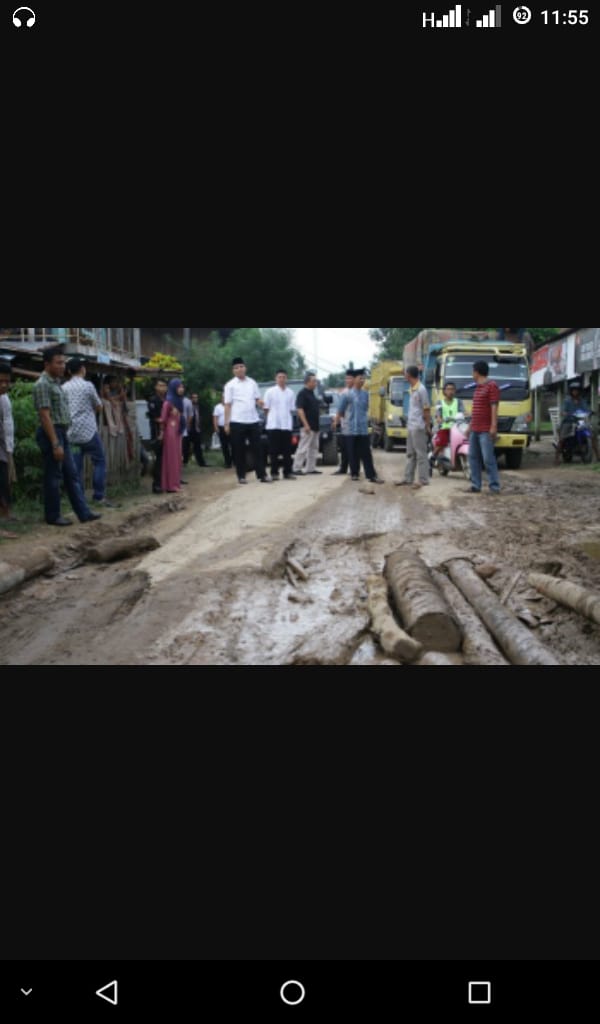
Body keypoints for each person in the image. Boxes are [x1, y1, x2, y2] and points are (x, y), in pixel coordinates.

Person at [33, 346, 102, 526]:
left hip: (63, 433)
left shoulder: (56, 383)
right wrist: (55, 443)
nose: (63, 366)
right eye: (58, 363)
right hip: (52, 433)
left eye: (63, 362)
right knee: (54, 476)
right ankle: (53, 516)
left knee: (71, 475)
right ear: (47, 364)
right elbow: (45, 415)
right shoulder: (42, 384)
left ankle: (83, 513)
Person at [63, 357, 119, 509]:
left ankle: (79, 499)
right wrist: (90, 412)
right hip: (88, 433)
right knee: (99, 461)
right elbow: (99, 406)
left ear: (68, 371)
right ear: (83, 369)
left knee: (77, 468)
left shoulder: (64, 387)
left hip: (71, 434)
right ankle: (99, 496)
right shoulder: (88, 386)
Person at [332, 369, 384, 483]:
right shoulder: (346, 395)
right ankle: (354, 473)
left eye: (364, 378)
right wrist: (336, 422)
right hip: (350, 429)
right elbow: (340, 411)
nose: (363, 380)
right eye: (360, 378)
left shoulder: (366, 394)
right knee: (352, 453)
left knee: (366, 453)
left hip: (363, 429)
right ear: (355, 379)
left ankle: (371, 475)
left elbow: (365, 409)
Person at [224, 358, 270, 484]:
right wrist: (227, 423)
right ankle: (241, 476)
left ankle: (262, 475)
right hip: (237, 421)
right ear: (233, 370)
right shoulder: (230, 385)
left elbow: (257, 399)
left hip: (253, 420)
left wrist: (261, 403)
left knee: (258, 449)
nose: (239, 369)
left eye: (241, 366)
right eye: (236, 367)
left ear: (245, 368)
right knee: (239, 450)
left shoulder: (252, 383)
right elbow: (227, 405)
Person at [465, 360, 501, 495]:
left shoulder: (492, 386)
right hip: (475, 428)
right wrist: (470, 427)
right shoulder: (478, 387)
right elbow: (475, 410)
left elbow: (494, 407)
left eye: (473, 371)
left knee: (488, 458)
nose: (472, 374)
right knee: (473, 457)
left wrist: (493, 426)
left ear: (477, 372)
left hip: (486, 429)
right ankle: (476, 485)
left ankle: (494, 486)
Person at [395, 365, 432, 490]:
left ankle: (423, 479)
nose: (404, 376)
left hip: (418, 426)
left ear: (409, 375)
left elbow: (426, 409)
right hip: (411, 425)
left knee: (421, 453)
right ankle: (408, 478)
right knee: (410, 453)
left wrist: (427, 425)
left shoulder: (421, 389)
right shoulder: (412, 388)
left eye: (405, 373)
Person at [262, 370, 297, 481]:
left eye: (283, 377)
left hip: (286, 425)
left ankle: (288, 472)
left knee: (287, 451)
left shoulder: (290, 393)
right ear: (276, 378)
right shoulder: (270, 392)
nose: (281, 379)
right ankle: (274, 473)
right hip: (273, 425)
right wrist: (272, 418)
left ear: (286, 379)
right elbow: (266, 409)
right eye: (279, 377)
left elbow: (291, 409)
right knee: (274, 451)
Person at [556, 380, 595, 464]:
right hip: (568, 422)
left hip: (580, 422)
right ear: (571, 391)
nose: (575, 392)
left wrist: (590, 412)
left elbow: (586, 409)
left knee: (591, 435)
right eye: (574, 390)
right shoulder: (567, 401)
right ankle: (557, 458)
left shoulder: (582, 401)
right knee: (562, 439)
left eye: (577, 390)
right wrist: (564, 413)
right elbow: (563, 411)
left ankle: (598, 456)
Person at [0, 360, 18, 537]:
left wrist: (9, 448)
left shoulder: (4, 399)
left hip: (3, 447)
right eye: (0, 381)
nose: (4, 385)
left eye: (7, 381)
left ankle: (5, 513)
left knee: (4, 482)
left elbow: (8, 423)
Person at [159, 378, 186, 493]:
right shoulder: (168, 402)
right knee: (171, 458)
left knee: (177, 458)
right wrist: (161, 432)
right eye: (179, 387)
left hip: (177, 432)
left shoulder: (179, 401)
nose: (181, 389)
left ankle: (175, 483)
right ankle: (170, 485)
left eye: (182, 387)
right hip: (170, 432)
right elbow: (163, 419)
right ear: (174, 388)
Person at [293, 372, 322, 476]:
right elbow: (300, 410)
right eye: (314, 381)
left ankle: (310, 468)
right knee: (303, 447)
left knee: (314, 448)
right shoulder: (302, 394)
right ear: (307, 382)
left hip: (315, 426)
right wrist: (305, 424)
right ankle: (296, 468)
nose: (315, 383)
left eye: (316, 381)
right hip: (307, 426)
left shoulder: (312, 393)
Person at [431, 381, 465, 465]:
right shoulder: (440, 403)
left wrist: (466, 415)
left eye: (452, 389)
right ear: (444, 391)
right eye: (448, 389)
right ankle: (432, 457)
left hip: (457, 427)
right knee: (442, 441)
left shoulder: (459, 402)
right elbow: (438, 414)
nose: (450, 391)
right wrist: (439, 419)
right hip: (444, 427)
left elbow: (463, 412)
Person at [332, 371, 355, 476]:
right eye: (346, 379)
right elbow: (340, 409)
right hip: (344, 424)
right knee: (344, 448)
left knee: (352, 449)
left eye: (350, 378)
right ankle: (343, 468)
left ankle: (354, 470)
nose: (347, 381)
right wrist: (336, 421)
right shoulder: (344, 393)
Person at [147, 378, 168, 493]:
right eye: (160, 385)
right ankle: (157, 485)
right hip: (157, 432)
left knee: (166, 458)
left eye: (164, 385)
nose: (162, 388)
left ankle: (166, 482)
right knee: (159, 459)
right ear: (156, 387)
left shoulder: (167, 400)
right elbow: (155, 417)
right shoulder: (153, 400)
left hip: (167, 431)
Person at [187, 392, 208, 467]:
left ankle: (201, 463)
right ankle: (185, 461)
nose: (195, 399)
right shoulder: (188, 406)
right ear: (191, 398)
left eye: (196, 397)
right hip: (189, 429)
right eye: (193, 397)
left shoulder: (198, 406)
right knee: (186, 446)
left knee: (198, 447)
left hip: (197, 429)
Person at [213, 391, 233, 468]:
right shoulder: (217, 407)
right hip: (221, 428)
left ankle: (234, 460)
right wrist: (216, 427)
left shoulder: (231, 406)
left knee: (233, 445)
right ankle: (227, 462)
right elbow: (215, 418)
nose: (224, 399)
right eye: (223, 397)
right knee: (224, 446)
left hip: (231, 427)